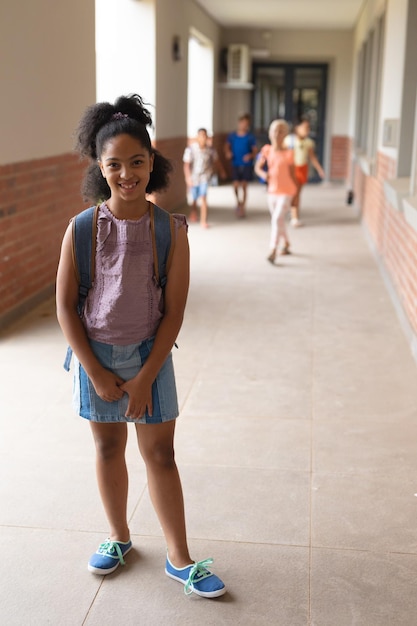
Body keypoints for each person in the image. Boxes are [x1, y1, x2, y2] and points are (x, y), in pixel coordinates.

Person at [56, 94, 226, 599]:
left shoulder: (169, 231)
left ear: (152, 162)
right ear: (99, 167)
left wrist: (147, 375)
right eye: (114, 164)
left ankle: (180, 557)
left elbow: (174, 312)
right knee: (108, 447)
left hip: (150, 356)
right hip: (96, 359)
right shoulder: (82, 228)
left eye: (136, 162)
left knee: (161, 455)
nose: (126, 173)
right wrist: (95, 371)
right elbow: (66, 308)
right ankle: (118, 537)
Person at [254, 119, 298, 264]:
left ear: (285, 134)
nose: (277, 134)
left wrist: (296, 197)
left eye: (281, 131)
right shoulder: (266, 150)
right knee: (278, 221)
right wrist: (263, 175)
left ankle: (273, 250)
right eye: (275, 131)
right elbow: (258, 168)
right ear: (270, 133)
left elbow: (293, 175)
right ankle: (286, 243)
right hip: (272, 191)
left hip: (287, 192)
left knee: (277, 218)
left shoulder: (290, 153)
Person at [284, 117, 325, 227]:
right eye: (305, 127)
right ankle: (295, 217)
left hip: (303, 169)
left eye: (308, 128)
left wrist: (319, 169)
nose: (307, 130)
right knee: (295, 193)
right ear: (297, 128)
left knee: (298, 193)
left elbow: (312, 157)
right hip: (293, 169)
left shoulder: (308, 142)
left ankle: (293, 212)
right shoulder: (289, 140)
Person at [183, 128, 226, 228]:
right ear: (197, 137)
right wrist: (188, 178)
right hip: (194, 177)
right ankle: (193, 211)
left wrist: (222, 171)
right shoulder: (191, 149)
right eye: (201, 135)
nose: (203, 138)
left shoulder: (211, 150)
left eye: (205, 135)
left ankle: (203, 220)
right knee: (194, 197)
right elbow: (186, 165)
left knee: (203, 197)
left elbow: (216, 161)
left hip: (205, 177)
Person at [224, 113, 257, 218]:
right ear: (239, 123)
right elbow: (226, 147)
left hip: (246, 164)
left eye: (246, 124)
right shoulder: (232, 136)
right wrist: (228, 153)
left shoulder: (250, 137)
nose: (243, 125)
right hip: (235, 163)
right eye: (242, 123)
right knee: (235, 185)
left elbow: (255, 151)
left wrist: (250, 156)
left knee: (244, 186)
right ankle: (238, 201)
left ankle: (243, 206)